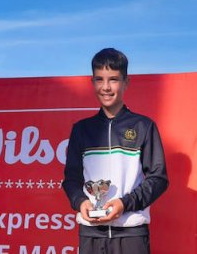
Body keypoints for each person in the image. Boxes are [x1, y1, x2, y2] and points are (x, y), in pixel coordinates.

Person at [63, 48, 168, 254]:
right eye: (99, 79)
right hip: (90, 233)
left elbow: (159, 178)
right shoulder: (81, 129)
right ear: (92, 82)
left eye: (113, 79)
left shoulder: (143, 126)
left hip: (131, 233)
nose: (106, 87)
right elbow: (71, 179)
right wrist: (80, 201)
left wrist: (124, 203)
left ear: (126, 82)